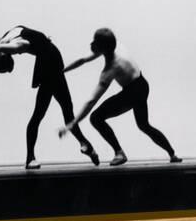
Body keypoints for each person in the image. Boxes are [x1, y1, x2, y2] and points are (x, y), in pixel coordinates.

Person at [0, 25, 100, 169]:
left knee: (53, 112)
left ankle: (78, 146)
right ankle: (81, 145)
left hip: (51, 64)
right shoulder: (6, 41)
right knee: (57, 111)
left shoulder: (12, 44)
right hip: (49, 63)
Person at [59, 28, 182, 166]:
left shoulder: (111, 69)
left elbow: (91, 101)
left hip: (133, 92)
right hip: (142, 84)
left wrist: (72, 123)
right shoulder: (116, 45)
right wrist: (62, 71)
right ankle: (173, 154)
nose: (91, 43)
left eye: (95, 42)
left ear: (102, 48)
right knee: (144, 125)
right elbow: (83, 59)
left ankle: (119, 152)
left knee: (96, 118)